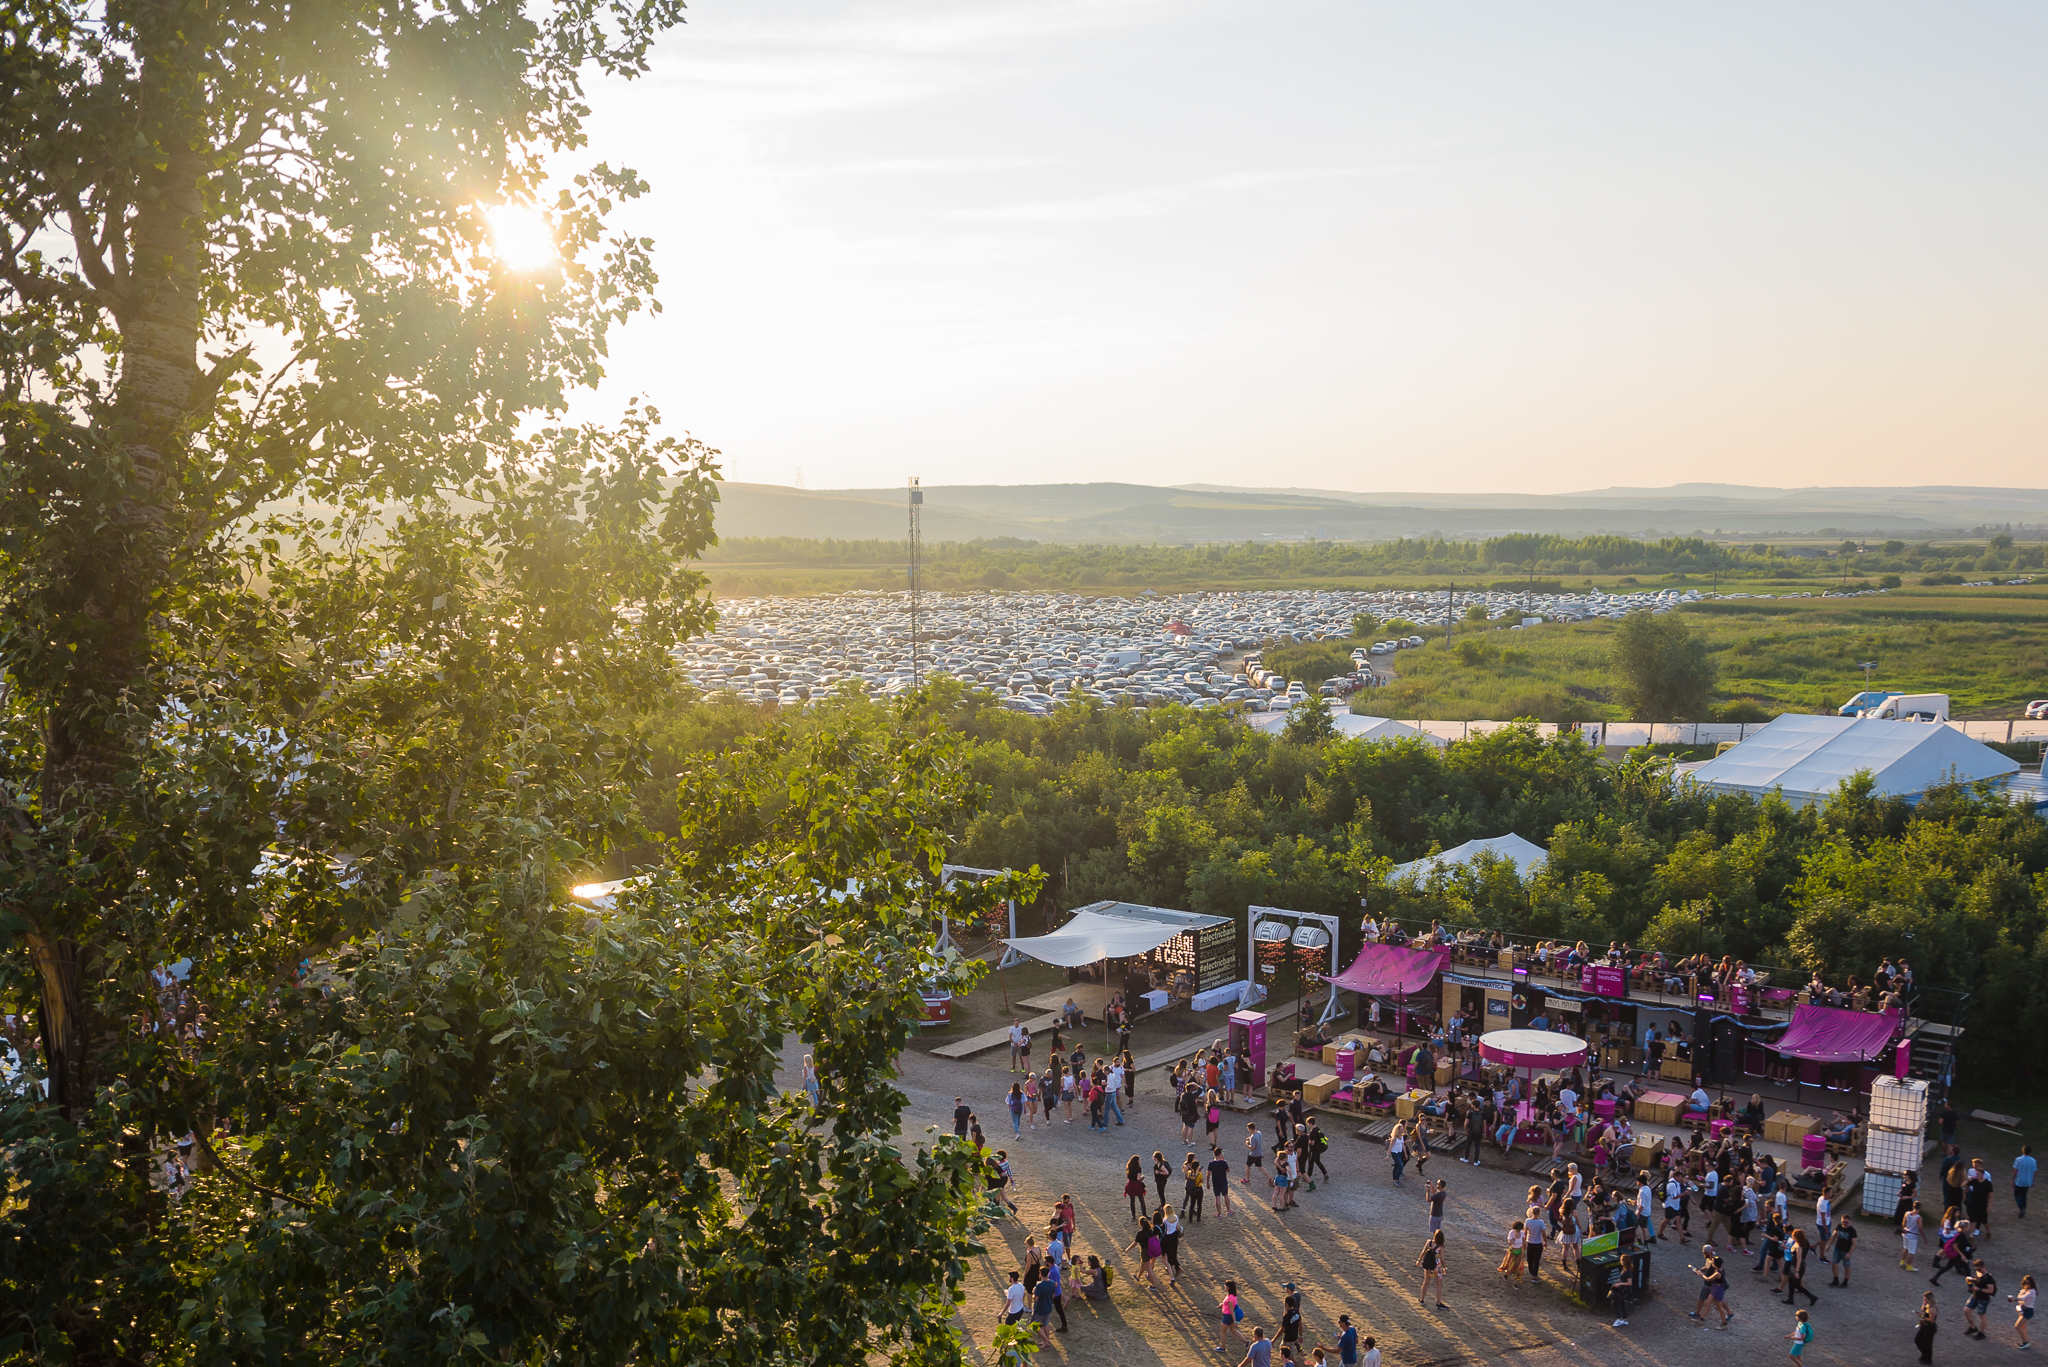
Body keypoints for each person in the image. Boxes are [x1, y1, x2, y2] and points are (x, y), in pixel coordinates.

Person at [1965, 1260, 1998, 1340]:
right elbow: (1978, 1281)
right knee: (1966, 1310)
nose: (1977, 1270)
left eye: (1979, 1269)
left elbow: (1990, 1290)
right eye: (1976, 1268)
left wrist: (1979, 1289)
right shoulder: (1978, 1273)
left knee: (1982, 1315)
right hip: (1975, 1296)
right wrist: (1972, 1280)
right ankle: (1973, 1327)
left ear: (1983, 1267)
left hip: (1983, 1299)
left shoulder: (1988, 1278)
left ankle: (1982, 1332)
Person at [1417, 1229, 1448, 1309]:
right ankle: (1438, 1303)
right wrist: (1444, 1267)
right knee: (1439, 1285)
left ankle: (1422, 1299)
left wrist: (1419, 1260)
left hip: (1428, 1265)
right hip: (1436, 1267)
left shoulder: (1429, 1242)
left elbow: (1423, 1252)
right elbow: (1442, 1259)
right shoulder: (1441, 1247)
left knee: (1426, 1282)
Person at [1828, 1214, 1857, 1287]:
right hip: (1837, 1249)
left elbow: (1854, 1243)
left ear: (1849, 1222)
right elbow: (1833, 1235)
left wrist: (1849, 1253)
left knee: (1847, 1266)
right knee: (1834, 1264)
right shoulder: (1839, 1226)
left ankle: (1845, 1282)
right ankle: (1835, 1280)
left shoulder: (1852, 1231)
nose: (1844, 1223)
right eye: (1843, 1222)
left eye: (1846, 1222)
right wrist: (1829, 1245)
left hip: (1846, 1251)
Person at [1219, 1279, 1246, 1355]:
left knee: (1222, 1332)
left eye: (1226, 1285)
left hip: (1228, 1316)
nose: (1224, 1286)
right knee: (1233, 1331)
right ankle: (1246, 1342)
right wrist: (1222, 1305)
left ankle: (1222, 1348)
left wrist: (1235, 1321)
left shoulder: (1230, 1298)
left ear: (1228, 1287)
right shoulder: (1232, 1295)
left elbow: (1232, 1311)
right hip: (1229, 1316)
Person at [1210, 1145, 1235, 1217]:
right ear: (1220, 1154)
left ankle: (1219, 1214)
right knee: (1226, 1196)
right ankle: (1228, 1210)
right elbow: (1228, 1170)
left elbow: (1208, 1174)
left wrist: (1208, 1182)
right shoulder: (1224, 1163)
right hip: (1223, 1182)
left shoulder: (1211, 1163)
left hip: (1215, 1182)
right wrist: (1224, 1161)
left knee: (1217, 1197)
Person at [1499, 1220, 1526, 1286]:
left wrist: (1524, 1251)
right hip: (1512, 1252)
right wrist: (1513, 1240)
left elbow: (1524, 1242)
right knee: (1510, 1265)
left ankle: (1514, 1282)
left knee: (1518, 1267)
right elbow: (1509, 1243)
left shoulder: (1522, 1233)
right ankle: (1506, 1274)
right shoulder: (1511, 1233)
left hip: (1519, 1251)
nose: (1518, 1231)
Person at [1280, 1284, 1304, 1356]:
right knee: (1294, 1333)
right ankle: (1299, 1349)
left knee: (1290, 1335)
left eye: (1286, 1288)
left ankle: (1295, 1352)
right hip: (1296, 1315)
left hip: (1291, 1317)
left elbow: (1286, 1310)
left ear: (1289, 1290)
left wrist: (1285, 1315)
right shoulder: (1298, 1295)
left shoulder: (1289, 1299)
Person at [1915, 1292, 1939, 1364]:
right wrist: (1924, 1304)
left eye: (1925, 1299)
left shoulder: (1932, 1309)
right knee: (1918, 1340)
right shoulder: (1927, 1306)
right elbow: (1923, 1311)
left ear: (1929, 1299)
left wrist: (1921, 1316)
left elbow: (1931, 1320)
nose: (1924, 1300)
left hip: (1929, 1328)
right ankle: (1924, 1355)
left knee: (1927, 1344)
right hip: (1925, 1326)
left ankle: (1927, 1359)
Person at [2015, 1273, 2036, 1349]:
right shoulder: (2024, 1290)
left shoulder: (2032, 1291)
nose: (2026, 1284)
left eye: (2027, 1283)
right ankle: (2025, 1341)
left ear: (2031, 1283)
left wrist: (2015, 1299)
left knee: (2017, 1326)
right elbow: (2020, 1297)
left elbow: (2022, 1298)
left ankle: (2025, 1342)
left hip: (2028, 1311)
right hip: (2023, 1310)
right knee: (2023, 1327)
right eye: (2024, 1283)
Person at [1901, 1200, 1924, 1271]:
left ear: (1913, 1206)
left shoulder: (1907, 1213)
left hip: (1905, 1233)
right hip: (1912, 1235)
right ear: (1920, 1208)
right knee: (1911, 1252)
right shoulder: (1918, 1218)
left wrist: (1904, 1229)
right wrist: (1924, 1237)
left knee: (1905, 1248)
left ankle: (1902, 1262)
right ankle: (1909, 1266)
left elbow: (1903, 1223)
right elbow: (1920, 1227)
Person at [2017, 1144, 2037, 1222]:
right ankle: (2024, 1209)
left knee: (2017, 1195)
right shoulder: (2033, 1161)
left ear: (2023, 1150)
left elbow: (2015, 1170)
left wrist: (2012, 1179)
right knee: (2024, 1195)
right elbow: (2034, 1172)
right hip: (2028, 1181)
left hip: (2019, 1181)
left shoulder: (2018, 1159)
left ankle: (2021, 1208)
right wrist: (2033, 1181)